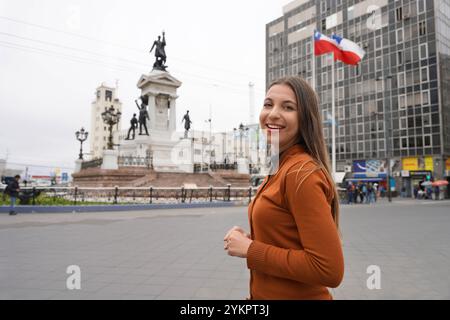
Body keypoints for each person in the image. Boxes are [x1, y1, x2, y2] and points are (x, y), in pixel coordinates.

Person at [223, 76, 344, 300]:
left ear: (305, 119)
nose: (273, 113)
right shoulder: (281, 166)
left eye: (288, 107)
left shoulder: (301, 173)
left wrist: (250, 249)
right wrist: (258, 237)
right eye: (268, 104)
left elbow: (329, 269)